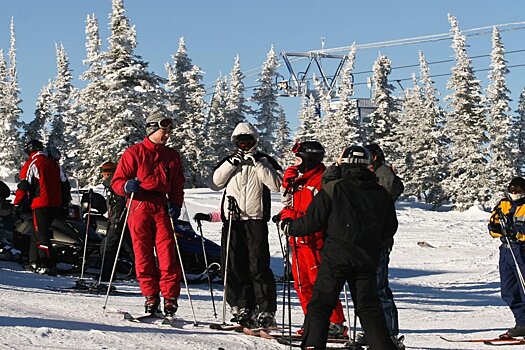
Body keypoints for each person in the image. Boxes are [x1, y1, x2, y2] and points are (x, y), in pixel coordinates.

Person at [280, 145, 398, 350]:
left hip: (337, 257)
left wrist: (289, 227)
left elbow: (312, 221)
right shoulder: (381, 193)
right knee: (369, 308)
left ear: (344, 164)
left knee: (321, 304)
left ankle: (313, 345)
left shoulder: (334, 188)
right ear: (368, 165)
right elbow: (390, 228)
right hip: (366, 258)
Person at [208, 121, 282, 328]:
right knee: (233, 264)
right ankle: (241, 304)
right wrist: (232, 163)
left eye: (248, 141)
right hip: (233, 219)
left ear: (255, 141)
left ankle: (266, 309)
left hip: (256, 219)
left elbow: (277, 185)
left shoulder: (265, 160)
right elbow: (215, 183)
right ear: (235, 143)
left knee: (258, 265)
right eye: (240, 142)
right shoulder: (229, 161)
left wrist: (259, 163)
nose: (244, 146)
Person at [111, 112, 185, 317]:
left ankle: (170, 298)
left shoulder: (172, 156)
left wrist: (176, 204)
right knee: (142, 253)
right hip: (139, 204)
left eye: (169, 131)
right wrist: (126, 186)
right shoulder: (134, 152)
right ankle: (151, 296)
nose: (168, 135)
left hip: (161, 205)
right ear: (152, 129)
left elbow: (178, 184)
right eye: (164, 130)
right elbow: (116, 181)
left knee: (167, 253)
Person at [278, 141, 346, 337]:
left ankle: (335, 323)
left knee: (321, 285)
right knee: (301, 284)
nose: (295, 163)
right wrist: (286, 218)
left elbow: (324, 212)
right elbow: (289, 205)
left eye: (298, 159)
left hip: (316, 242)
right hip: (297, 241)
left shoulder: (322, 181)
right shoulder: (299, 181)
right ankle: (313, 322)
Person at [13, 139, 70, 276]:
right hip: (55, 204)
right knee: (36, 232)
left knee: (41, 235)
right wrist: (64, 204)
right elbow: (65, 184)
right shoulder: (54, 164)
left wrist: (16, 203)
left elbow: (24, 185)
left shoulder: (33, 163)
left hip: (40, 204)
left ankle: (47, 264)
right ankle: (34, 261)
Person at [488, 177, 525, 339]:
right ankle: (522, 323)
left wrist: (518, 234)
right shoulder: (503, 204)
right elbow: (493, 226)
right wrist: (497, 229)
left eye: (518, 190)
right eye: (512, 190)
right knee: (509, 290)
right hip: (506, 251)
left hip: (522, 250)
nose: (515, 193)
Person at [98, 161, 134, 282]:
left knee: (107, 248)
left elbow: (118, 204)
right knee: (131, 248)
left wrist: (116, 220)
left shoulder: (113, 183)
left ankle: (106, 276)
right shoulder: (113, 184)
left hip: (119, 221)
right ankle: (140, 272)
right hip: (122, 220)